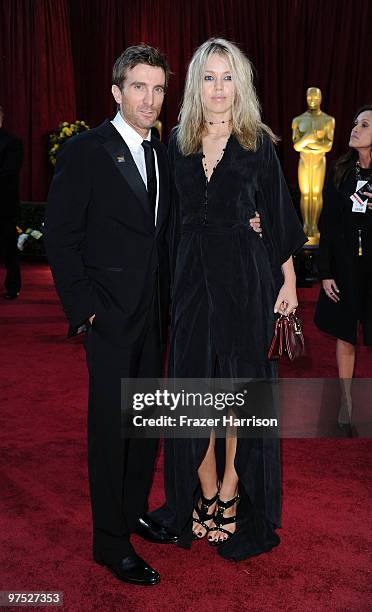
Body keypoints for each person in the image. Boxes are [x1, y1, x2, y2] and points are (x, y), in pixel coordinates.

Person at [150, 38, 306, 561]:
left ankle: (232, 488)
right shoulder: (176, 142)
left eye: (228, 76)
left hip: (245, 275)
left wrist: (286, 282)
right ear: (197, 83)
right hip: (192, 278)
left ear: (242, 83)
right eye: (209, 77)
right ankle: (205, 482)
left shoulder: (257, 141)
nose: (218, 88)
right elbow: (164, 221)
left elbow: (278, 216)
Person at [44, 45, 181, 587]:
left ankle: (131, 514)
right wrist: (86, 311)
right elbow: (60, 236)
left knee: (143, 427)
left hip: (153, 317)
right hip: (109, 319)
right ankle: (109, 542)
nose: (149, 99)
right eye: (139, 87)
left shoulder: (163, 154)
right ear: (117, 92)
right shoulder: (86, 151)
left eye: (158, 89)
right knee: (110, 432)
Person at [314, 106, 372, 430]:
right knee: (346, 333)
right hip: (347, 268)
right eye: (355, 123)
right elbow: (329, 226)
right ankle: (346, 400)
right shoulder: (340, 172)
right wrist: (326, 272)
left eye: (364, 125)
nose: (355, 128)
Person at [292, 87, 335, 244]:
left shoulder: (328, 120)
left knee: (316, 193)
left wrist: (307, 142)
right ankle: (306, 225)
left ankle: (314, 226)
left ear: (320, 98)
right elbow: (296, 146)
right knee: (305, 194)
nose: (312, 101)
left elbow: (327, 146)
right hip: (304, 161)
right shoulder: (298, 120)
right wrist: (312, 139)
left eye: (315, 98)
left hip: (318, 161)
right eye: (310, 98)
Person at [0, 105, 23, 299]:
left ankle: (13, 286)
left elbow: (9, 173)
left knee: (8, 247)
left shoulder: (12, 142)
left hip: (3, 205)